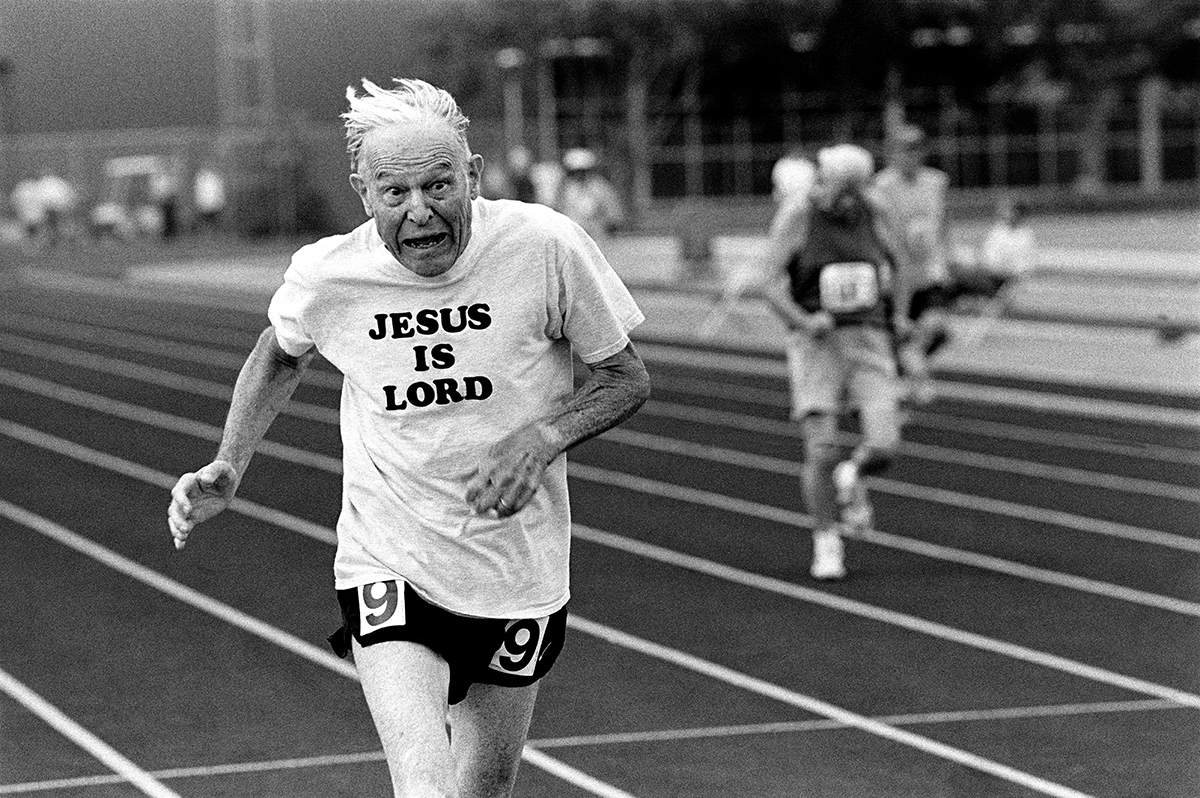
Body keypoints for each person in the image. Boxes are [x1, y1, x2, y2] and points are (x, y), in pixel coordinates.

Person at [166, 77, 650, 798]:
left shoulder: (544, 246)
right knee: (425, 789)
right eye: (395, 192)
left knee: (483, 789)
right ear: (364, 194)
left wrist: (542, 438)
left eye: (438, 185)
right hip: (387, 558)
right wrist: (230, 461)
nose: (419, 210)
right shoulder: (330, 273)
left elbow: (624, 377)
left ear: (473, 175)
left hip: (515, 568)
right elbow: (279, 353)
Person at [754, 143, 910, 581]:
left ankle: (854, 474)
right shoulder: (798, 215)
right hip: (817, 345)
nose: (841, 202)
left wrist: (898, 315)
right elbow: (768, 284)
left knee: (884, 445)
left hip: (869, 339)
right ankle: (826, 540)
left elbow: (903, 265)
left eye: (851, 194)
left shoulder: (875, 211)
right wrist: (803, 321)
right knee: (821, 449)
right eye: (835, 191)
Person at [872, 123, 951, 404]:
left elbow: (944, 223)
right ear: (893, 153)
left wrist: (948, 257)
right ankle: (908, 375)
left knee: (937, 328)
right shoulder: (882, 185)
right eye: (904, 150)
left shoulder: (936, 182)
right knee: (900, 332)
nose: (910, 156)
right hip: (898, 274)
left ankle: (911, 369)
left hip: (929, 270)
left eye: (916, 149)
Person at [553, 147, 624, 243]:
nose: (579, 174)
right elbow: (557, 212)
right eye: (575, 171)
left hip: (599, 237)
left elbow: (614, 213)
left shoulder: (600, 187)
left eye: (583, 171)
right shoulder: (564, 189)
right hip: (572, 237)